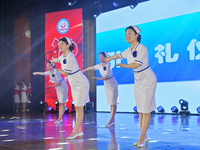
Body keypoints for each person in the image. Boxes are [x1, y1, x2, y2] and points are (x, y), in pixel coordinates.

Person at [104, 26, 157, 148]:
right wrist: (109, 58)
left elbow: (135, 65)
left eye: (130, 33)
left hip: (148, 80)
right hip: (138, 81)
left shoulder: (142, 48)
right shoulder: (129, 49)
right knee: (140, 110)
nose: (126, 35)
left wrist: (123, 65)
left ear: (137, 35)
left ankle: (141, 138)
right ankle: (144, 136)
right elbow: (119, 55)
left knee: (146, 110)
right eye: (126, 33)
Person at [51, 37, 90, 140]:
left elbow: (66, 72)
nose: (59, 46)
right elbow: (57, 59)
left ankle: (75, 131)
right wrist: (52, 60)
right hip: (74, 84)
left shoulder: (70, 56)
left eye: (62, 44)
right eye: (59, 44)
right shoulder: (63, 55)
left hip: (81, 84)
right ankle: (79, 130)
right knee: (77, 108)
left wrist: (58, 70)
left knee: (79, 108)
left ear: (68, 45)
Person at [82, 51, 118, 127]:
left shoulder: (108, 65)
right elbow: (91, 67)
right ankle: (112, 120)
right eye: (99, 56)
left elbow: (105, 78)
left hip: (112, 84)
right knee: (110, 103)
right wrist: (84, 70)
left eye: (101, 56)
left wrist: (96, 78)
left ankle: (111, 120)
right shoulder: (99, 65)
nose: (100, 58)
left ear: (105, 57)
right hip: (107, 85)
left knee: (113, 103)